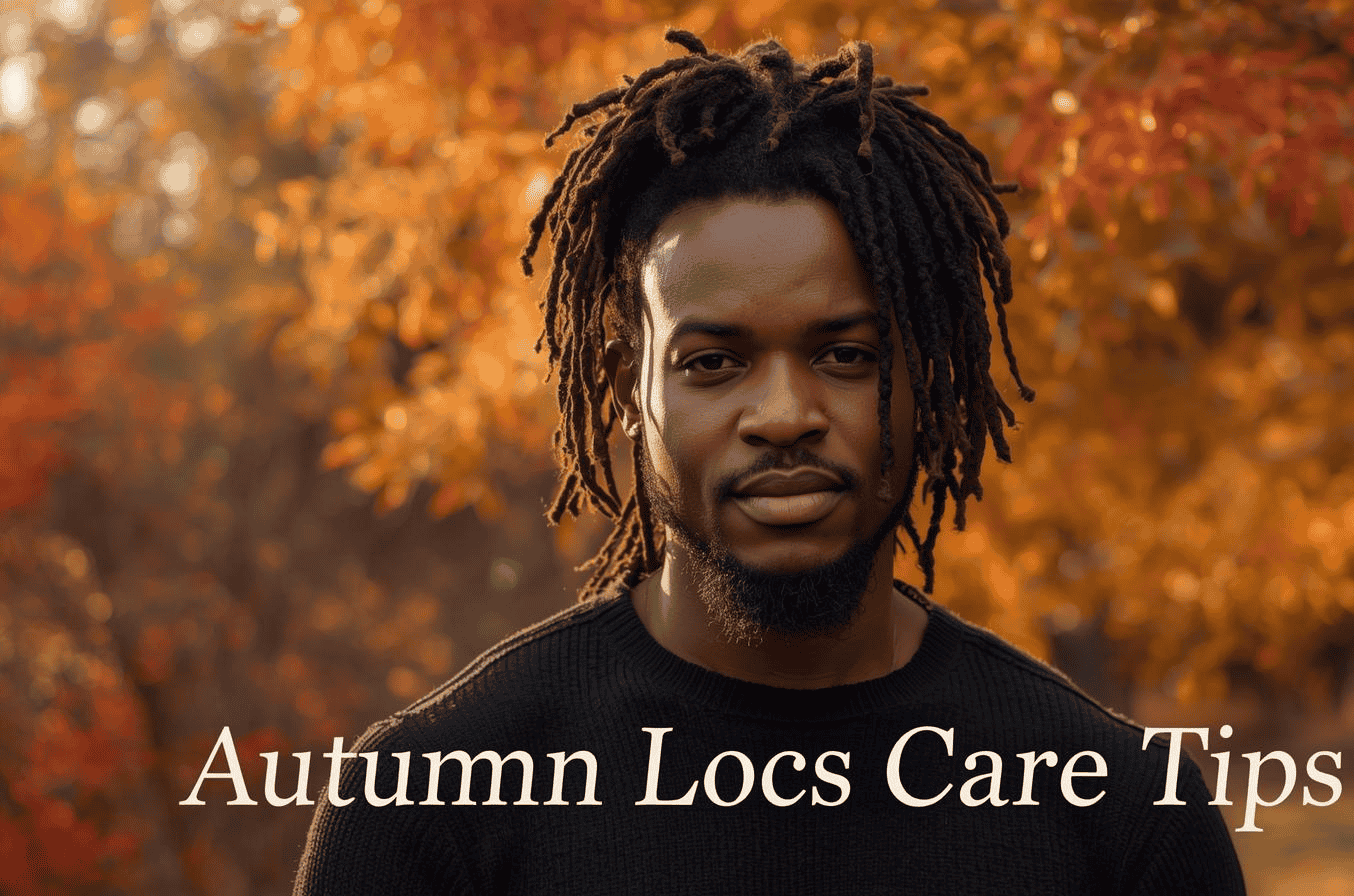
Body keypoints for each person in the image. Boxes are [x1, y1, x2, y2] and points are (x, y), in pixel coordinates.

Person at [294, 30, 1246, 894]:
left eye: (846, 355)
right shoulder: (427, 812)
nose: (785, 416)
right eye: (714, 363)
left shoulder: (1122, 818)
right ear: (630, 387)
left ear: (932, 378)